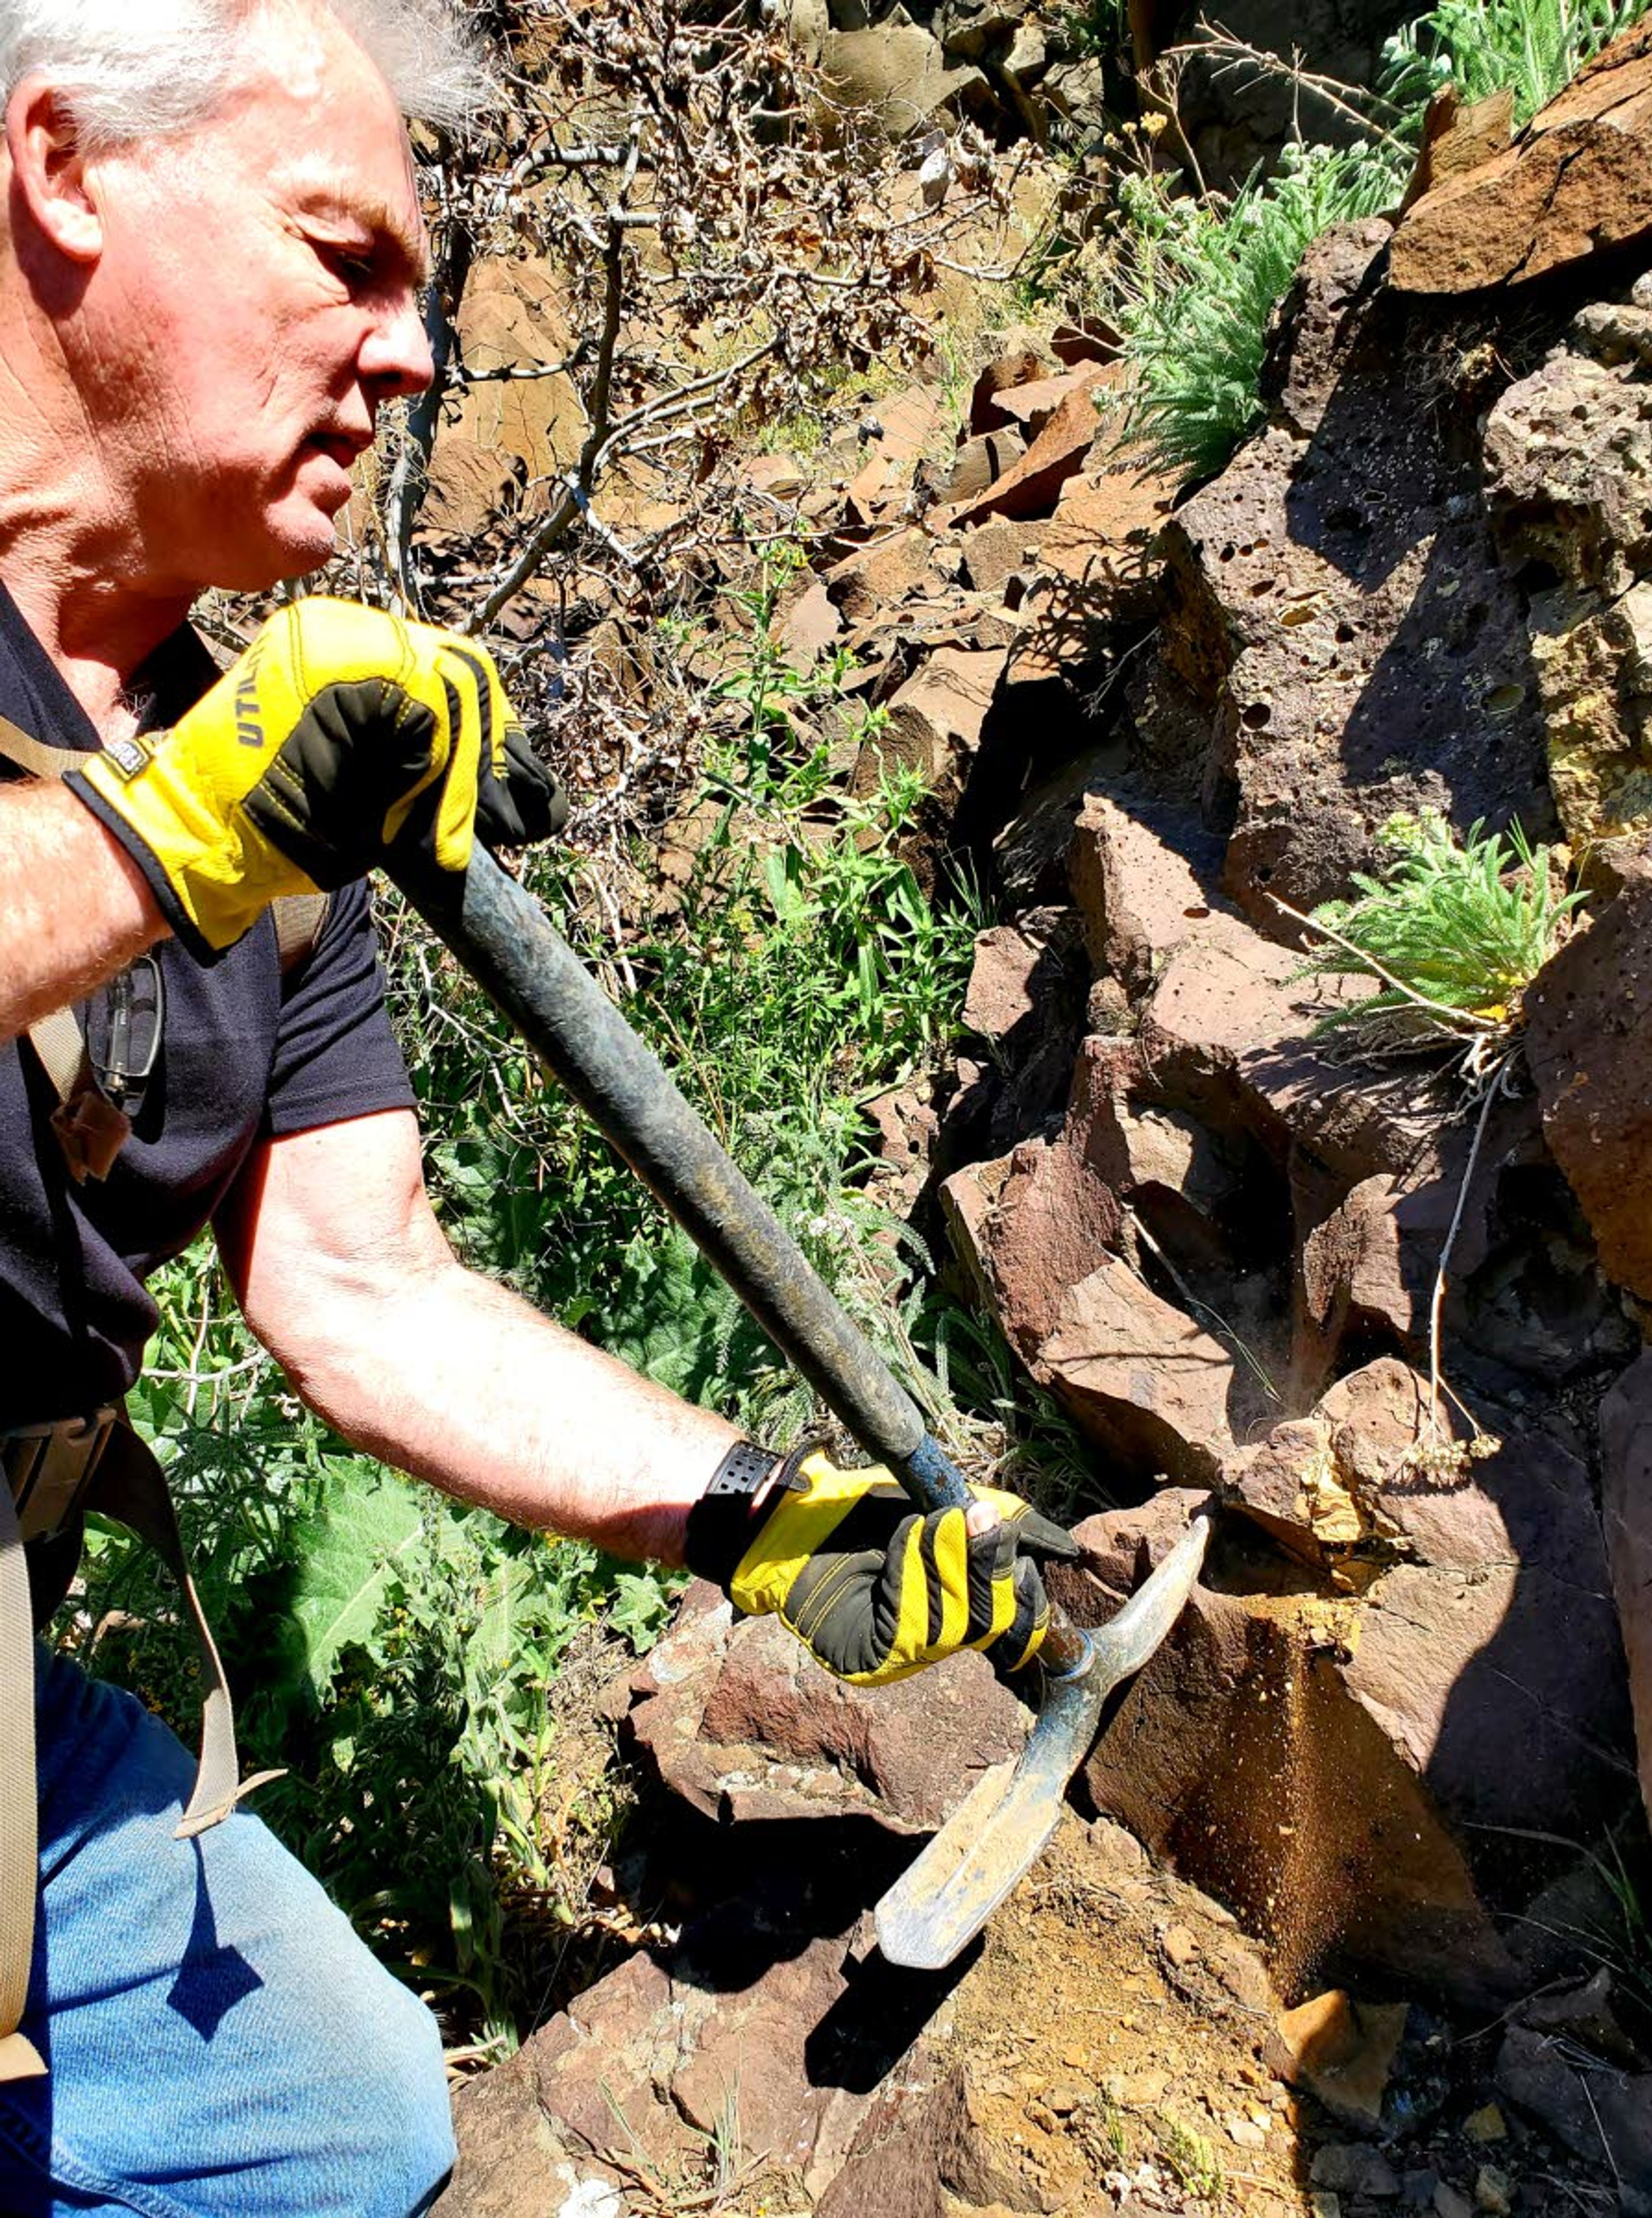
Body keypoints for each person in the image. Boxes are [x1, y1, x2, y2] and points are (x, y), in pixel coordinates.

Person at [0, 3, 1077, 2212]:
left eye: (418, 287)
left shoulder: (258, 771)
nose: (409, 356)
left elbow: (366, 1289)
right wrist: (154, 843)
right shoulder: (227, 796)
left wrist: (786, 1521)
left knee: (334, 2120)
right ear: (66, 171)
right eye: (344, 256)